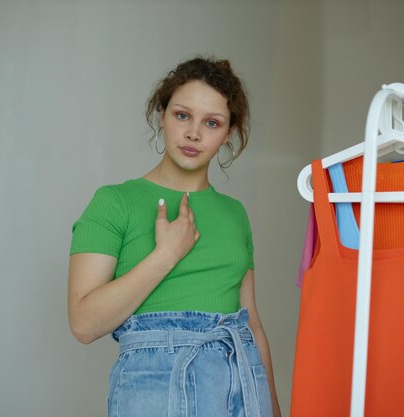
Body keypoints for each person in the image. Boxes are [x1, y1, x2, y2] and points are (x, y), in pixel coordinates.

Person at [68, 56, 281, 417]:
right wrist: (166, 254)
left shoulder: (235, 214)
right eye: (182, 115)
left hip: (241, 384)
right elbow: (84, 323)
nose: (194, 133)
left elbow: (253, 324)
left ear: (228, 133)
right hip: (156, 387)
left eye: (211, 123)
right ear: (162, 114)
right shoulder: (115, 202)